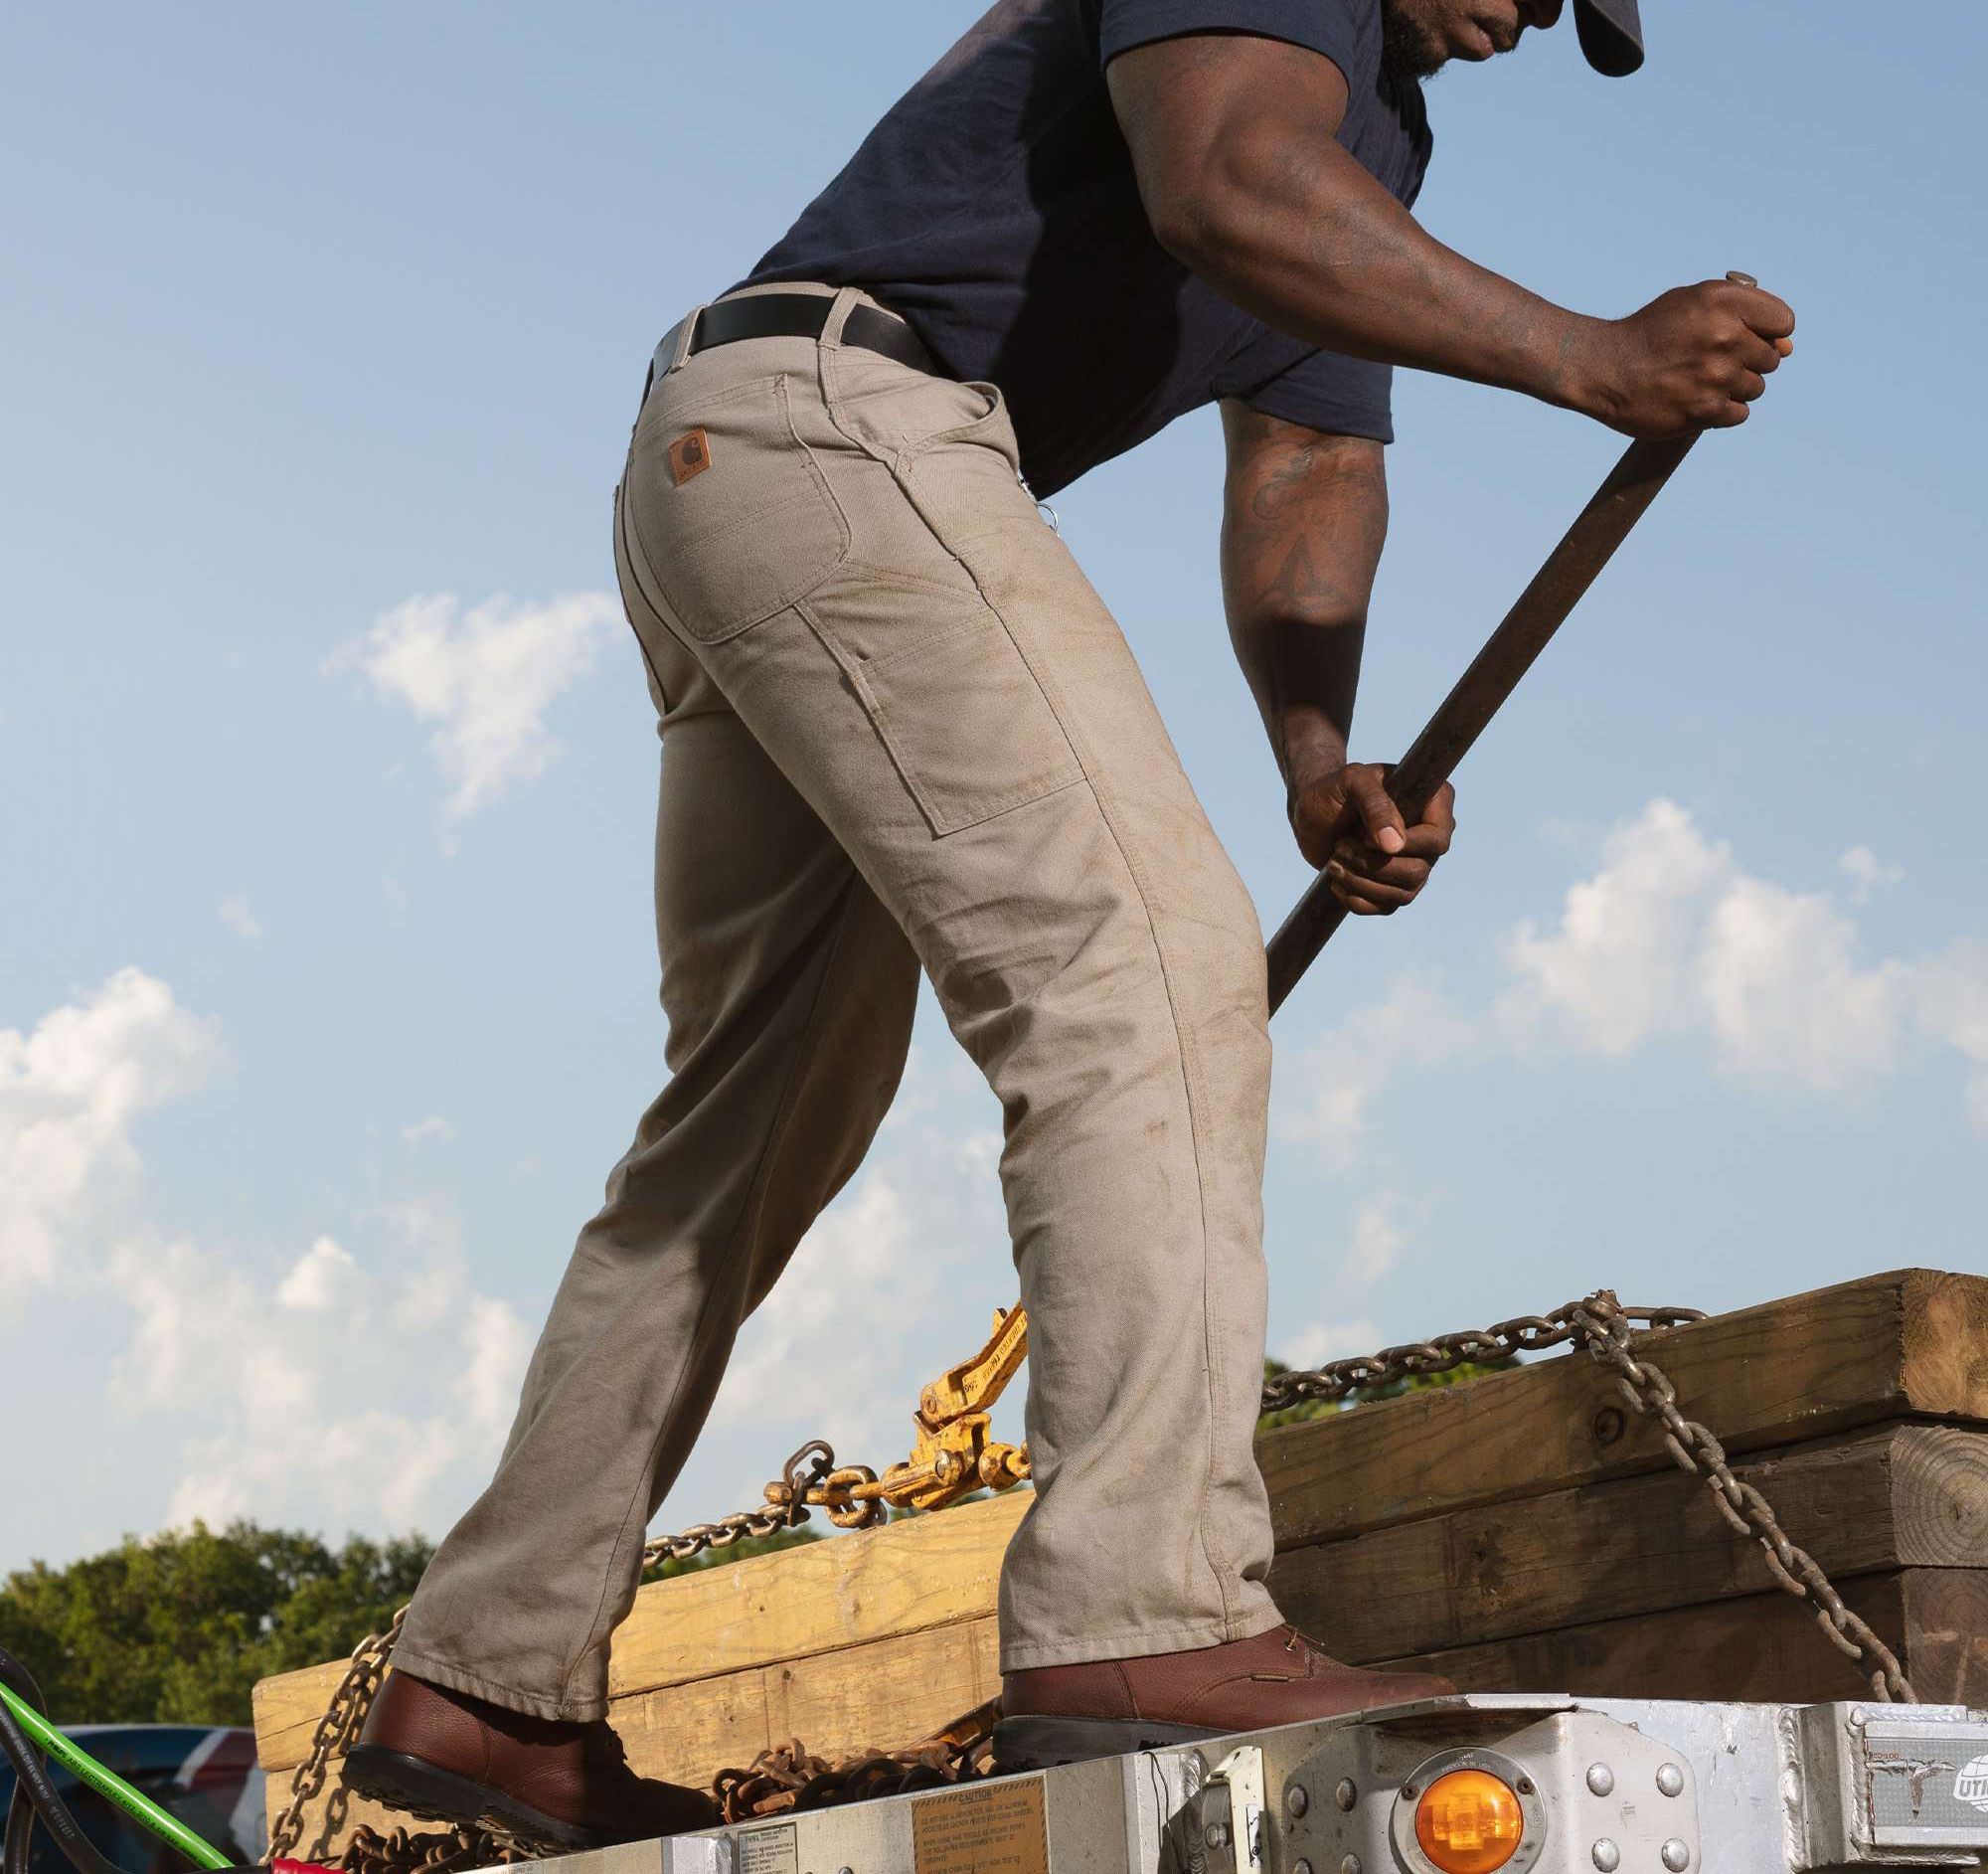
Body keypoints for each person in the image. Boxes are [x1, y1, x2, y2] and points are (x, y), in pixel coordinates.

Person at [347, 0, 1795, 1847]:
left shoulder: (1379, 140)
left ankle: (488, 1674)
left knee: (756, 1114)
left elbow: (1309, 463)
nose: (1527, 14)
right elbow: (1224, 184)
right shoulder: (1287, 66)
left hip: (752, 461)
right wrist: (1590, 356)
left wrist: (1316, 755)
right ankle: (1148, 1606)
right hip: (842, 429)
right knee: (1152, 974)